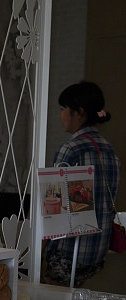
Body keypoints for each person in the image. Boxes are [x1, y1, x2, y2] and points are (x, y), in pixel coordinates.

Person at [43, 81, 121, 287]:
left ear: (79, 112)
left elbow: (53, 210)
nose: (60, 115)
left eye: (63, 109)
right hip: (97, 251)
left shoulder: (71, 149)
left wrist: (39, 251)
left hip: (68, 251)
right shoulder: (110, 151)